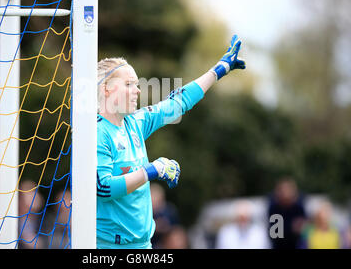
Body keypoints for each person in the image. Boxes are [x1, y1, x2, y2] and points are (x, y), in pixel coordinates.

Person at [96, 35, 245, 249]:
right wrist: (153, 169)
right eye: (129, 84)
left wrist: (218, 71)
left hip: (143, 246)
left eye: (137, 85)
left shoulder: (135, 123)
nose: (138, 91)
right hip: (108, 247)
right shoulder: (98, 132)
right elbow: (103, 187)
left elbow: (177, 103)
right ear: (106, 89)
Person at [267, 178, 307, 249]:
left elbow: (304, 230)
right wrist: (291, 228)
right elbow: (275, 235)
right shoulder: (274, 209)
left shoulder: (299, 208)